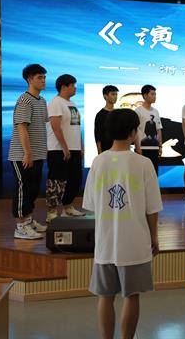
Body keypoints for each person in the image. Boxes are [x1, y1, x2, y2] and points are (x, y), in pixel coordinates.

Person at [83, 108, 162, 339]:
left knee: (105, 297)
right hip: (135, 243)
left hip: (105, 243)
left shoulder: (98, 162)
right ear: (133, 132)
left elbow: (91, 204)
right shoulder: (144, 163)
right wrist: (154, 237)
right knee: (132, 296)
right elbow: (152, 208)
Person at [9, 64, 49, 239]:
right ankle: (20, 227)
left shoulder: (42, 100)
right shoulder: (24, 100)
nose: (43, 80)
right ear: (29, 79)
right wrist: (27, 153)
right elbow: (21, 127)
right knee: (23, 190)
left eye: (44, 77)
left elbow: (41, 126)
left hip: (37, 154)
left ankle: (28, 221)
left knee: (32, 190)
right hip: (22, 155)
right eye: (40, 77)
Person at [46, 74, 85, 222]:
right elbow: (55, 126)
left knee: (75, 179)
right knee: (57, 181)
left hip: (74, 149)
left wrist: (80, 147)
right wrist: (65, 148)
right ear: (63, 87)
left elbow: (76, 127)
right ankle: (51, 212)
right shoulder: (56, 102)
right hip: (58, 149)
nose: (75, 88)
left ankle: (68, 207)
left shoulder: (72, 104)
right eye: (72, 85)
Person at [134, 85, 162, 175]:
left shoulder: (156, 111)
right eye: (152, 94)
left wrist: (160, 146)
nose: (155, 96)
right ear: (145, 95)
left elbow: (158, 130)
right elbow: (135, 131)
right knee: (142, 173)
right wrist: (137, 147)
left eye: (155, 94)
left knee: (154, 173)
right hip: (142, 148)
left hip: (154, 147)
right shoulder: (138, 111)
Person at [94, 85, 119, 154]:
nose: (115, 97)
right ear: (105, 96)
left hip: (118, 148)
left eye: (116, 94)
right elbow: (98, 134)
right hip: (106, 148)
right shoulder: (100, 114)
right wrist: (99, 151)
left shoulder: (118, 113)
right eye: (113, 94)